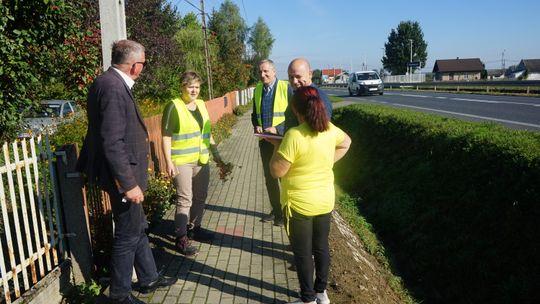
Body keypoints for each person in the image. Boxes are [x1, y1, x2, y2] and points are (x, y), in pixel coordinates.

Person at [76, 40, 176, 304]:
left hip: (124, 174)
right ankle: (119, 295)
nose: (143, 68)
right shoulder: (112, 88)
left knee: (136, 226)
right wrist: (128, 183)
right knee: (127, 234)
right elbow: (112, 140)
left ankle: (149, 277)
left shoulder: (107, 82)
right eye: (143, 63)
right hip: (124, 177)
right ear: (134, 66)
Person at [267, 86, 352, 304]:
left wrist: (277, 145)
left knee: (303, 254)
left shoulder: (294, 135)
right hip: (324, 201)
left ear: (296, 110)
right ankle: (321, 294)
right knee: (321, 247)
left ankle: (307, 299)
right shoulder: (330, 129)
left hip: (300, 205)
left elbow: (277, 171)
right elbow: (346, 143)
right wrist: (325, 162)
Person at [161, 71, 222, 256]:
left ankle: (196, 227)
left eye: (197, 86)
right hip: (182, 162)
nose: (194, 90)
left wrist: (217, 155)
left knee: (201, 195)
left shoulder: (202, 105)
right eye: (190, 86)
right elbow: (166, 137)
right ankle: (181, 237)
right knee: (184, 198)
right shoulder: (174, 106)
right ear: (183, 87)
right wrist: (168, 162)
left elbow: (207, 134)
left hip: (201, 160)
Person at [251, 59, 290, 226]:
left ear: (274, 72)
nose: (262, 74)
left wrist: (278, 128)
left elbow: (295, 115)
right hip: (265, 141)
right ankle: (276, 211)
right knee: (269, 178)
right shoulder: (258, 89)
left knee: (284, 178)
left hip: (283, 142)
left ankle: (287, 214)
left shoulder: (285, 87)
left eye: (266, 71)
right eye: (260, 71)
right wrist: (257, 125)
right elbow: (254, 114)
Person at [285, 58, 333, 133]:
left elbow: (322, 132)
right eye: (291, 77)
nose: (294, 81)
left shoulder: (318, 97)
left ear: (310, 74)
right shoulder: (296, 95)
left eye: (298, 77)